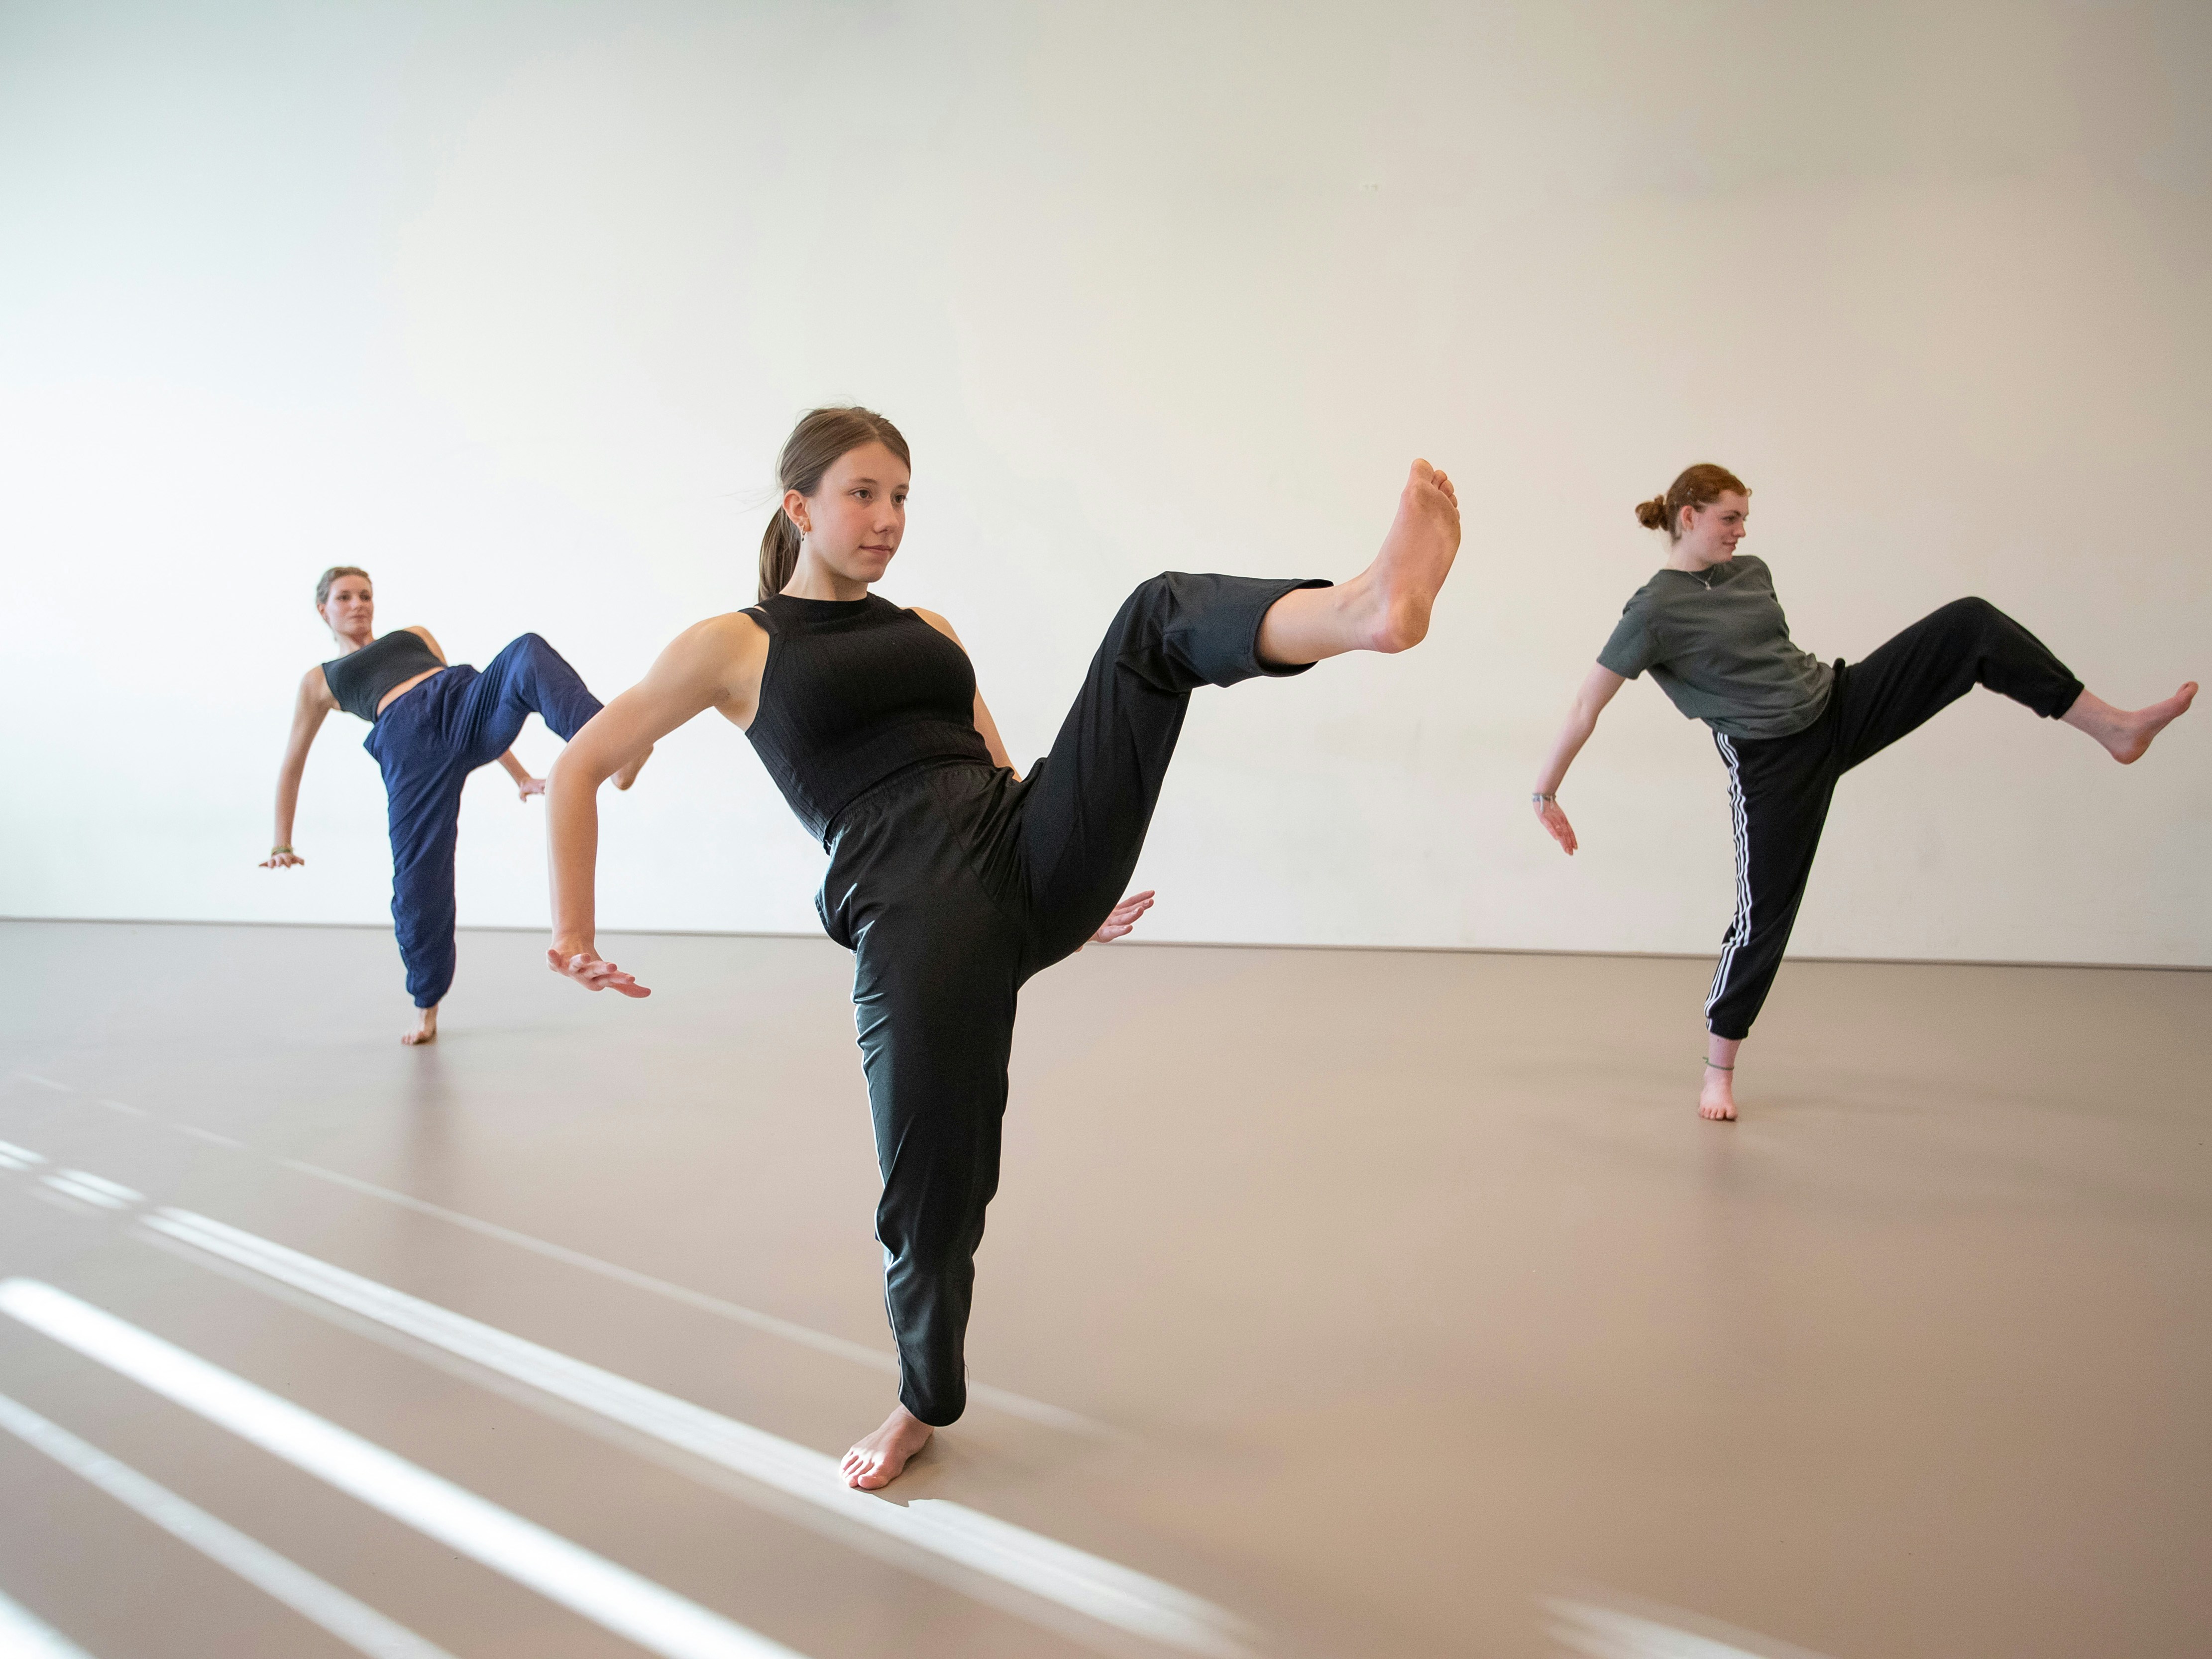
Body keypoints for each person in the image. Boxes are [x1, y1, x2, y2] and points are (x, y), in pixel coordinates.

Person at [542, 405, 1461, 1488]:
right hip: (914, 907)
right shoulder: (734, 644)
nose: (887, 519)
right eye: (862, 495)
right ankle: (918, 1403)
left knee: (1154, 617)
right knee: (932, 1199)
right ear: (800, 507)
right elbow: (580, 765)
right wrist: (572, 930)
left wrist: (1080, 873)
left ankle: (1363, 610)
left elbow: (994, 765)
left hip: (1018, 848)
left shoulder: (926, 624)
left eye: (900, 497)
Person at [1532, 463, 2196, 1122]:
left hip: (1839, 705)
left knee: (1971, 624)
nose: (1742, 530)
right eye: (1730, 517)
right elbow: (1587, 705)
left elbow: (1775, 658)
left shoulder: (1752, 572)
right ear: (1689, 518)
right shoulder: (1652, 610)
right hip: (1771, 764)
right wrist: (1546, 790)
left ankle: (2113, 727)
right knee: (1764, 916)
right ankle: (1718, 1069)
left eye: (1744, 518)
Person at [263, 566, 648, 1044]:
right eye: (344, 597)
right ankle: (426, 1005)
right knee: (417, 881)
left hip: (458, 701)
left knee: (526, 652)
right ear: (324, 608)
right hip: (409, 750)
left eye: (365, 595)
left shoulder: (415, 636)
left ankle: (616, 753)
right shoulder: (318, 681)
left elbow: (461, 710)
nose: (358, 604)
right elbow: (292, 765)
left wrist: (520, 774)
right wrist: (282, 840)